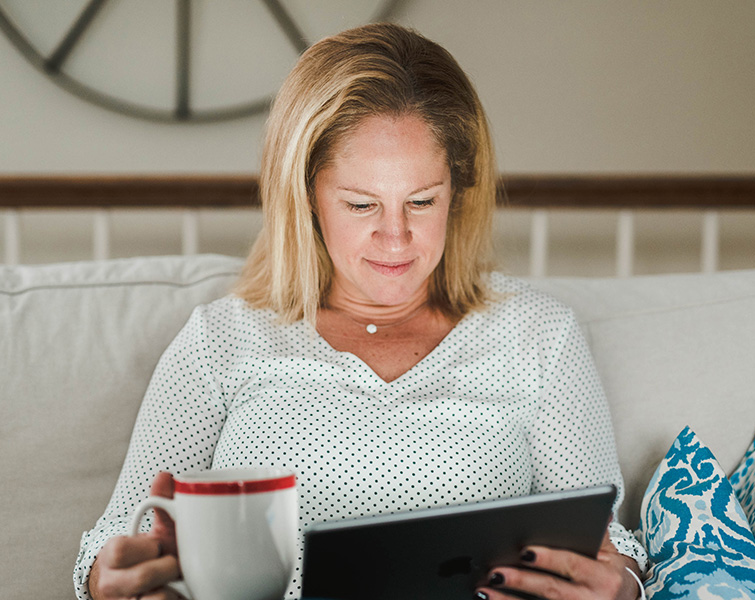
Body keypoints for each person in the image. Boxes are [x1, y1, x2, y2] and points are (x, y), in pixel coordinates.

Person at [75, 22, 647, 600]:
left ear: (458, 188)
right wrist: (116, 582)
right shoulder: (222, 340)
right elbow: (118, 543)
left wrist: (618, 587)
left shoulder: (540, 337)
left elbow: (603, 546)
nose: (395, 239)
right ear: (307, 195)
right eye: (360, 204)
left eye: (422, 201)